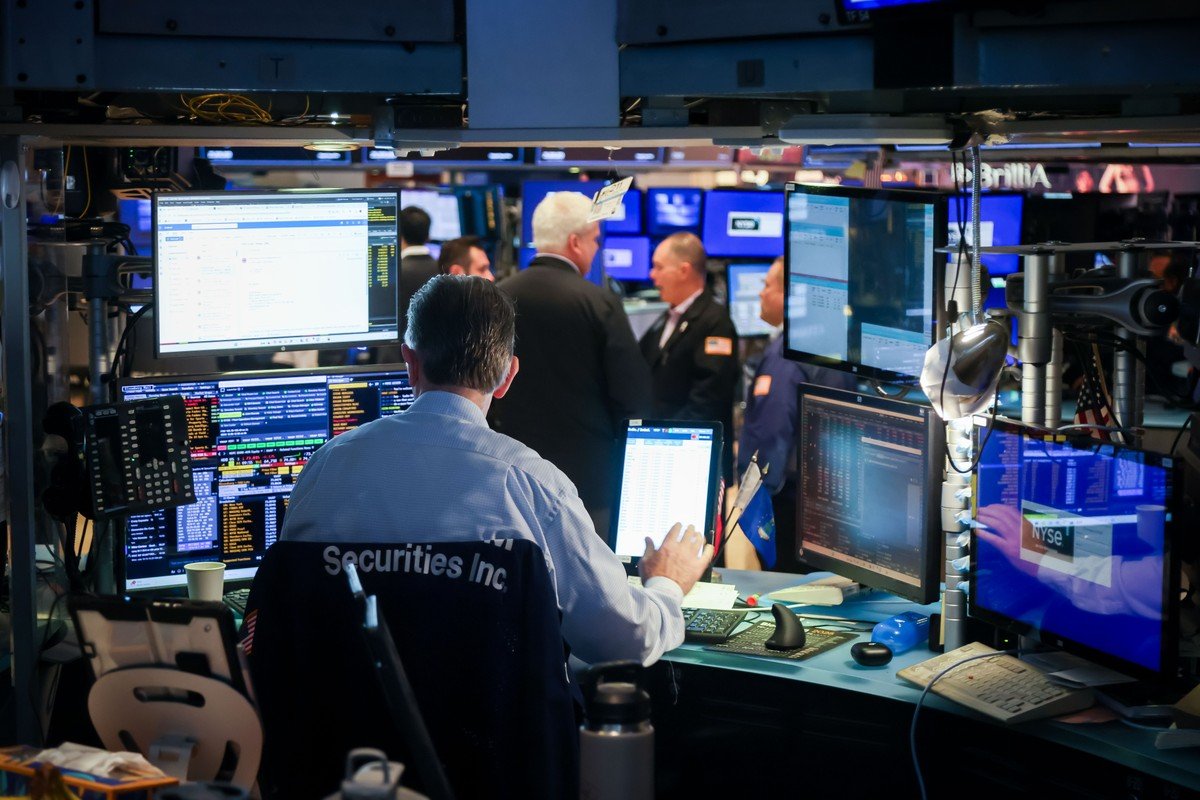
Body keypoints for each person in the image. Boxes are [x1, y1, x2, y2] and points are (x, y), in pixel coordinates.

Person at [280, 275, 711, 665]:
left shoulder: (325, 468)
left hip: (339, 726)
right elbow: (624, 640)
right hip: (493, 730)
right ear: (507, 376)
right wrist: (667, 585)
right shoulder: (536, 489)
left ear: (410, 362)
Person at [489, 191, 653, 537]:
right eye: (595, 240)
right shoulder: (600, 303)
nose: (596, 249)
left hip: (511, 479)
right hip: (589, 486)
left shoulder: (496, 298)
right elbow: (632, 398)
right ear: (575, 242)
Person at [727, 256, 856, 572]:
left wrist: (757, 497)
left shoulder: (790, 350)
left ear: (789, 295)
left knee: (785, 580)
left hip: (790, 498)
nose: (760, 294)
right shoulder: (824, 338)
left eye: (767, 286)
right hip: (825, 492)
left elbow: (773, 430)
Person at [639, 232, 739, 482]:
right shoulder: (666, 319)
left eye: (659, 267)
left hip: (693, 455)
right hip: (660, 449)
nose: (652, 275)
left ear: (684, 270)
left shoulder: (716, 322)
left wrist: (664, 438)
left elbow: (707, 400)